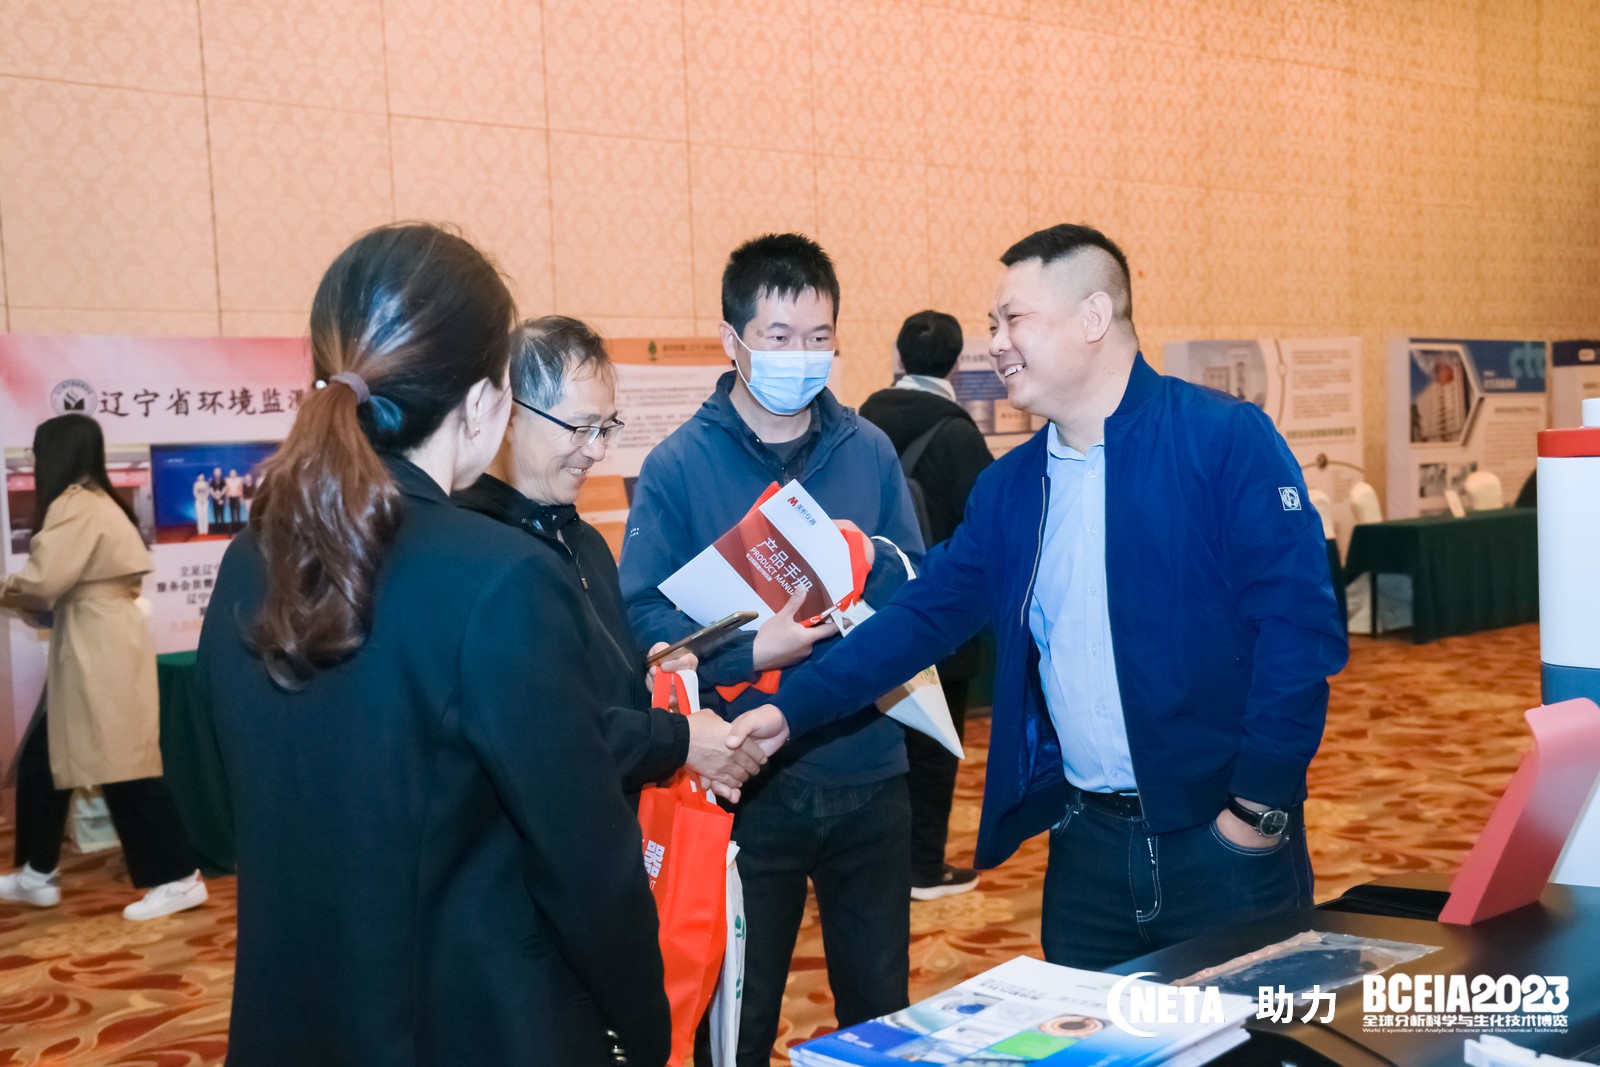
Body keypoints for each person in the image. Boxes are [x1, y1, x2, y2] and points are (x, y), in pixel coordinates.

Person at [732, 224, 1349, 969]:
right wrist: (786, 711)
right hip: (1086, 855)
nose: (994, 343)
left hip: (1222, 844)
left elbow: (1298, 630)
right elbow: (919, 620)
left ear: (1093, 317)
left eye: (1012, 319)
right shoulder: (1010, 487)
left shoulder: (1223, 441)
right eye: (992, 324)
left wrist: (1256, 808)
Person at [197, 223, 671, 1065]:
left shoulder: (249, 559)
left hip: (294, 1024)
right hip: (469, 1028)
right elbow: (586, 862)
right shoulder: (501, 579)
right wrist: (642, 1023)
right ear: (484, 403)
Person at [619, 233, 925, 1067]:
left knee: (881, 1015)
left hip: (868, 769)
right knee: (736, 1022)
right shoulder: (678, 465)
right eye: (780, 337)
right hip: (742, 781)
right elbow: (641, 619)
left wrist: (868, 567)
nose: (801, 355)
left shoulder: (867, 449)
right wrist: (753, 650)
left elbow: (916, 584)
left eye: (819, 337)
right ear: (733, 340)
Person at [454, 315, 765, 799]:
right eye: (580, 428)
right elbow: (545, 732)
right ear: (508, 417)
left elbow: (595, 688)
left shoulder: (585, 542)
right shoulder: (474, 551)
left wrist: (646, 680)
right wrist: (678, 741)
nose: (597, 451)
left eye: (606, 428)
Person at [0, 414, 208, 921]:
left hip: (96, 642)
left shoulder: (74, 504)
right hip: (98, 634)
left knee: (120, 763)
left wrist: (7, 590)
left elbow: (44, 580)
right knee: (48, 758)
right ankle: (37, 873)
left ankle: (179, 877)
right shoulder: (96, 501)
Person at [859, 309, 994, 900]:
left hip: (870, 612)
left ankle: (874, 861)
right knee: (936, 744)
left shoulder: (861, 423)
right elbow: (987, 528)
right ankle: (923, 867)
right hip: (942, 616)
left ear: (897, 355)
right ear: (957, 363)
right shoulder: (960, 435)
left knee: (877, 741)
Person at [193, 472, 212, 536]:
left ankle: (205, 530)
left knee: (205, 515)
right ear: (198, 477)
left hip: (205, 501)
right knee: (199, 515)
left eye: (202, 476)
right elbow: (195, 492)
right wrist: (199, 499)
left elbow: (208, 491)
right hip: (198, 501)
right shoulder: (196, 484)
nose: (201, 477)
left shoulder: (206, 483)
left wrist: (204, 498)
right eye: (200, 476)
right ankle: (200, 530)